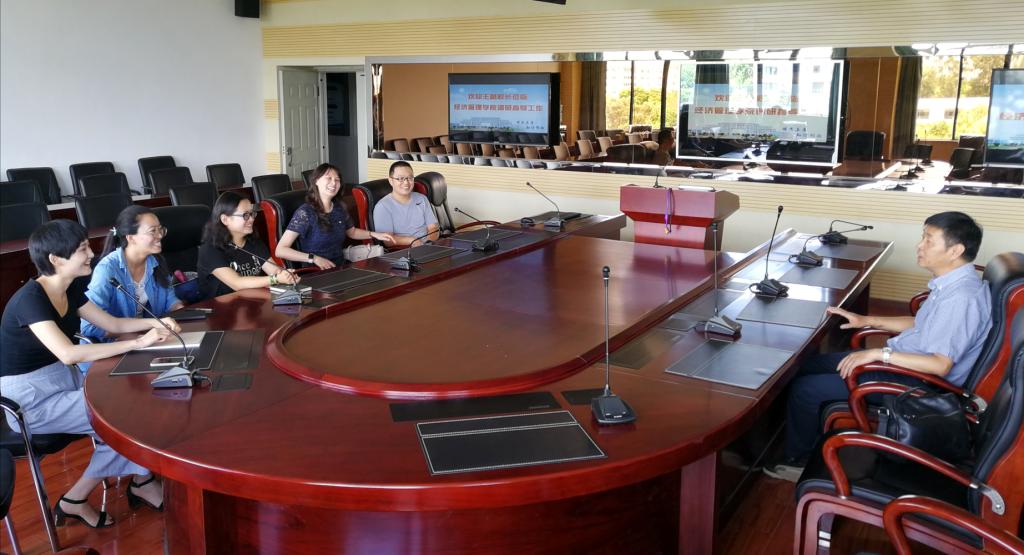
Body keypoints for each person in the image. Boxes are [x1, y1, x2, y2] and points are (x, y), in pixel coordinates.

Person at [764, 211, 991, 482]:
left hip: (920, 383)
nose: (919, 246)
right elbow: (922, 324)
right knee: (807, 365)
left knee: (807, 388)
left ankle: (798, 461)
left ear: (955, 251)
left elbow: (940, 365)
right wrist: (867, 320)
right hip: (905, 364)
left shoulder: (961, 298)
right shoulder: (953, 283)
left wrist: (878, 353)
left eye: (929, 240)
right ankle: (794, 432)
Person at [1, 220, 176, 528]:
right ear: (56, 259)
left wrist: (156, 323)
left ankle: (141, 480)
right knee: (126, 415)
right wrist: (139, 342)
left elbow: (112, 324)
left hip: (64, 379)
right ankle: (77, 498)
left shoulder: (70, 287)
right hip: (29, 400)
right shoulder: (30, 300)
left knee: (134, 402)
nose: (91, 254)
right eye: (82, 249)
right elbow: (68, 353)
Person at [81, 206, 184, 341]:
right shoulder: (107, 269)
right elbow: (90, 327)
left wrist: (182, 312)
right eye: (152, 231)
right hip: (113, 345)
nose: (159, 235)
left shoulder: (156, 261)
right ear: (130, 237)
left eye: (160, 230)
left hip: (149, 337)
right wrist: (142, 333)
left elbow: (170, 301)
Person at [275, 163, 395, 269]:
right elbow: (280, 250)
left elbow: (352, 232)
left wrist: (375, 234)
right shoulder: (305, 213)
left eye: (337, 180)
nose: (334, 183)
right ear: (316, 181)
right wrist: (314, 258)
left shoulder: (339, 208)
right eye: (329, 178)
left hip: (340, 266)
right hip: (315, 271)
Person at [197, 191, 300, 299]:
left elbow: (273, 270)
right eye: (245, 215)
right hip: (220, 306)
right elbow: (237, 283)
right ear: (225, 219)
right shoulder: (210, 250)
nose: (252, 219)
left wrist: (286, 275)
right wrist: (275, 279)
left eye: (252, 214)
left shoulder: (253, 241)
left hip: (252, 301)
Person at [372, 161, 439, 246]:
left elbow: (433, 227)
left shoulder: (422, 198)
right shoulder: (383, 206)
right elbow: (388, 241)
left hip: (429, 246)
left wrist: (428, 243)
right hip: (406, 249)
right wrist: (413, 241)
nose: (406, 182)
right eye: (400, 178)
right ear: (391, 181)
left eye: (410, 178)